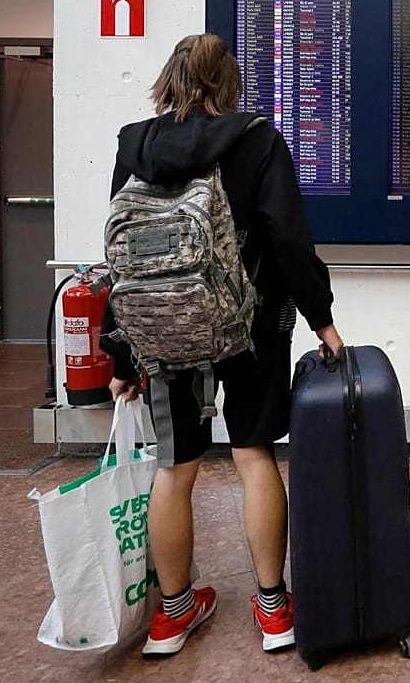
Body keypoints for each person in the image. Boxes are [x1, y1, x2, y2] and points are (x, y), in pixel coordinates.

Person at [98, 33, 343, 658]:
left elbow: (125, 260)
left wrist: (122, 353)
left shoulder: (135, 143)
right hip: (252, 327)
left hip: (163, 329)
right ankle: (272, 608)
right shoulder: (254, 138)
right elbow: (287, 240)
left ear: (169, 79)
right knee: (253, 454)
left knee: (174, 468)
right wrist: (322, 319)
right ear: (227, 84)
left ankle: (172, 617)